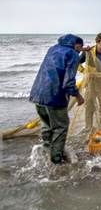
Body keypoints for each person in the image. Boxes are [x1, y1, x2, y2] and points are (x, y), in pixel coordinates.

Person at [29, 34, 85, 164]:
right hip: (54, 97)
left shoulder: (53, 49)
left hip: (38, 94)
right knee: (60, 127)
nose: (79, 50)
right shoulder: (72, 54)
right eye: (80, 47)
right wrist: (78, 96)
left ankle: (46, 150)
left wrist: (82, 50)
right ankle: (56, 160)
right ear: (75, 44)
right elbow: (68, 82)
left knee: (47, 125)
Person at [78, 32, 101, 133]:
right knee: (89, 105)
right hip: (91, 83)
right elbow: (76, 62)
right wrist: (83, 71)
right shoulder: (89, 52)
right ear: (97, 42)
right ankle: (88, 127)